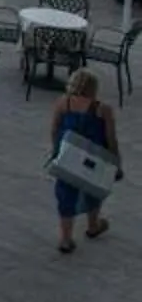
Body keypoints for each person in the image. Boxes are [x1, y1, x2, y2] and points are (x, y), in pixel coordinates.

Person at [51, 68, 122, 252]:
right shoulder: (102, 109)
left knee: (65, 195)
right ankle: (93, 225)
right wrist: (116, 162)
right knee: (94, 190)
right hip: (93, 160)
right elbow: (111, 138)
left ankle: (65, 239)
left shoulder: (63, 103)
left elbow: (54, 129)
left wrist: (55, 151)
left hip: (68, 157)